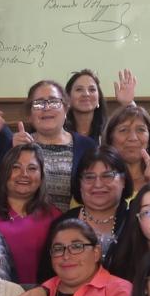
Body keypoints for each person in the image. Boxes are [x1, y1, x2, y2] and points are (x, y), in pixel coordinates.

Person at [0, 144, 59, 284]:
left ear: (42, 175)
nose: (24, 174)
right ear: (4, 172)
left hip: (38, 294)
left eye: (32, 168)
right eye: (16, 167)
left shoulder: (54, 217)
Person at [9, 79, 98, 210]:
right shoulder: (16, 144)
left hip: (74, 221)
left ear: (66, 109)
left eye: (54, 102)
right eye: (39, 104)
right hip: (26, 220)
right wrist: (13, 154)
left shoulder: (87, 146)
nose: (46, 108)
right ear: (29, 114)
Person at [61, 147, 132, 255]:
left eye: (107, 176)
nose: (98, 184)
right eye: (89, 177)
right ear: (80, 184)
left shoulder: (136, 223)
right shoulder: (62, 224)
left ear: (123, 181)